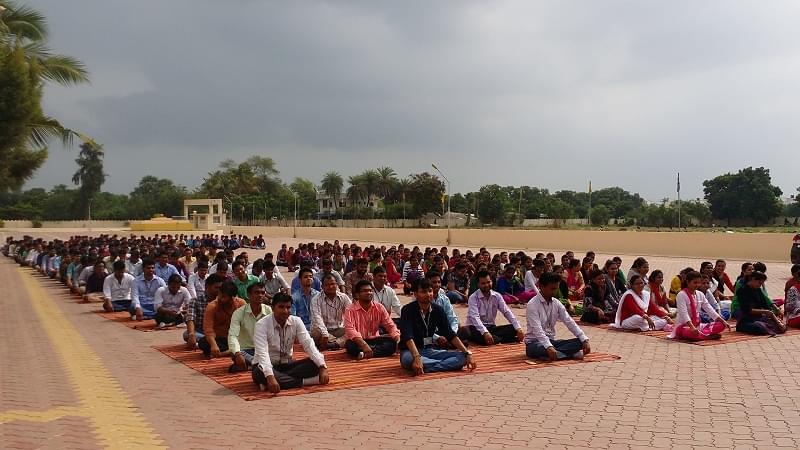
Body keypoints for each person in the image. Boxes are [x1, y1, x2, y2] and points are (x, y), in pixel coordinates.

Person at [252, 292, 330, 394]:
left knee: (315, 364)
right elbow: (262, 353)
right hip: (265, 365)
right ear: (272, 308)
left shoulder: (296, 321)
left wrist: (322, 366)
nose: (285, 311)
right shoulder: (261, 325)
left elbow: (308, 344)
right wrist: (270, 376)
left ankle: (277, 381)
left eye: (288, 307)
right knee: (259, 372)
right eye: (281, 307)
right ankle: (306, 382)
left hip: (287, 365)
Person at [399, 278, 476, 375]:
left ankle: (426, 367)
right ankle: (432, 364)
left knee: (462, 358)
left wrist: (467, 353)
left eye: (430, 291)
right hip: (410, 351)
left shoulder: (437, 310)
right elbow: (408, 337)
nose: (428, 294)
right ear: (415, 294)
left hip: (429, 350)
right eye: (423, 292)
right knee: (408, 359)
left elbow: (450, 334)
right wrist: (416, 357)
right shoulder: (407, 310)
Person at [525, 272, 591, 361]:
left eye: (556, 288)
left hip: (552, 342)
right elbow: (537, 330)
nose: (555, 291)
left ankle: (556, 354)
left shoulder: (556, 303)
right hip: (535, 343)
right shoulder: (532, 304)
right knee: (541, 349)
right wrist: (548, 346)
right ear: (541, 287)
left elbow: (569, 322)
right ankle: (570, 354)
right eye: (552, 288)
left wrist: (584, 339)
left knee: (580, 342)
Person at [464, 270, 524, 346]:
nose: (486, 285)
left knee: (514, 328)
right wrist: (485, 332)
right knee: (482, 338)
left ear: (491, 281)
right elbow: (475, 317)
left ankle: (497, 339)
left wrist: (518, 328)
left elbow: (506, 312)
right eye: (483, 283)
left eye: (488, 282)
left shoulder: (497, 296)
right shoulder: (473, 298)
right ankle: (507, 339)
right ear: (478, 284)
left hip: (491, 328)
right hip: (476, 328)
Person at [343, 280, 400, 359]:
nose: (369, 293)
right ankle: (370, 351)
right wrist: (363, 344)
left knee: (392, 344)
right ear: (357, 295)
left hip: (375, 339)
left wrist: (397, 339)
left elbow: (390, 325)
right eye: (365, 291)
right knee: (350, 346)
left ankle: (365, 354)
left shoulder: (379, 307)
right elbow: (350, 329)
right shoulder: (350, 309)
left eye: (370, 291)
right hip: (358, 341)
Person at [669, 271, 731, 341]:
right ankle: (707, 336)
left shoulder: (700, 294)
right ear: (688, 282)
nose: (697, 285)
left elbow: (709, 309)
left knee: (722, 325)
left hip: (698, 325)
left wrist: (723, 321)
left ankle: (701, 334)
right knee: (691, 333)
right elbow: (684, 313)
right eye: (695, 283)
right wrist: (692, 327)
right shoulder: (681, 295)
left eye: (699, 283)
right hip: (684, 326)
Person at [228, 282, 272, 372]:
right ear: (249, 295)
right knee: (234, 352)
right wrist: (237, 353)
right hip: (245, 351)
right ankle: (261, 365)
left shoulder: (268, 311)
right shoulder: (239, 313)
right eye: (257, 292)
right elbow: (232, 335)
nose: (260, 295)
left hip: (263, 350)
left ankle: (253, 366)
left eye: (262, 293)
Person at [201, 280, 246, 358]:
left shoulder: (241, 304)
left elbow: (245, 326)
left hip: (237, 338)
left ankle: (226, 352)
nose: (220, 298)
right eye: (220, 295)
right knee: (203, 342)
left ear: (232, 298)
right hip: (220, 339)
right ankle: (232, 351)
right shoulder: (212, 306)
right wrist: (214, 345)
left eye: (224, 296)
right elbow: (208, 329)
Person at [733, 271, 786, 336]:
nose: (760, 285)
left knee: (780, 326)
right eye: (759, 283)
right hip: (747, 319)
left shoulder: (758, 290)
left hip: (759, 318)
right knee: (758, 327)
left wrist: (775, 316)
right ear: (753, 279)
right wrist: (765, 312)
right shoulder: (742, 290)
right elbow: (747, 310)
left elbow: (765, 304)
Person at [310, 273, 352, 349]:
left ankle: (333, 344)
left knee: (354, 330)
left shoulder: (344, 297)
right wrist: (325, 335)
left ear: (337, 284)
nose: (330, 287)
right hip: (321, 331)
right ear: (322, 287)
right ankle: (338, 343)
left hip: (338, 329)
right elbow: (317, 319)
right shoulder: (316, 300)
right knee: (316, 332)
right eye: (327, 285)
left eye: (332, 284)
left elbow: (352, 314)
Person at [184, 274, 224, 350]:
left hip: (218, 331)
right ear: (207, 287)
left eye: (220, 288)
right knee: (186, 334)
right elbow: (190, 318)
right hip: (201, 331)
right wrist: (191, 334)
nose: (218, 290)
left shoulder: (223, 301)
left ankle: (206, 343)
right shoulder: (195, 301)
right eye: (216, 288)